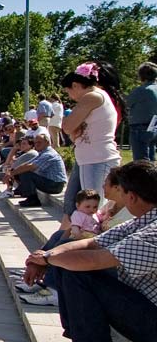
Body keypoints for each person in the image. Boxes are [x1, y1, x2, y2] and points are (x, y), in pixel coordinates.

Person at [22, 161, 157, 342]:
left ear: (131, 197)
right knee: (69, 265)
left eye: (121, 193)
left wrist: (47, 259)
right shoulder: (143, 221)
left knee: (78, 271)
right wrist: (45, 256)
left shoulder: (152, 233)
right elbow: (91, 244)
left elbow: (95, 260)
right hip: (146, 306)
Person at [62, 61, 124, 223]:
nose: (70, 97)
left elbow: (67, 127)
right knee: (87, 206)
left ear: (75, 85)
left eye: (68, 92)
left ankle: (94, 242)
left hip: (98, 159)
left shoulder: (92, 97)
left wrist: (73, 126)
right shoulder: (97, 96)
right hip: (91, 158)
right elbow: (72, 133)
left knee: (93, 208)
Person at [126, 62, 157, 162]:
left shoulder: (141, 90)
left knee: (141, 163)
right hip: (153, 127)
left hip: (139, 129)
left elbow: (126, 103)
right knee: (151, 160)